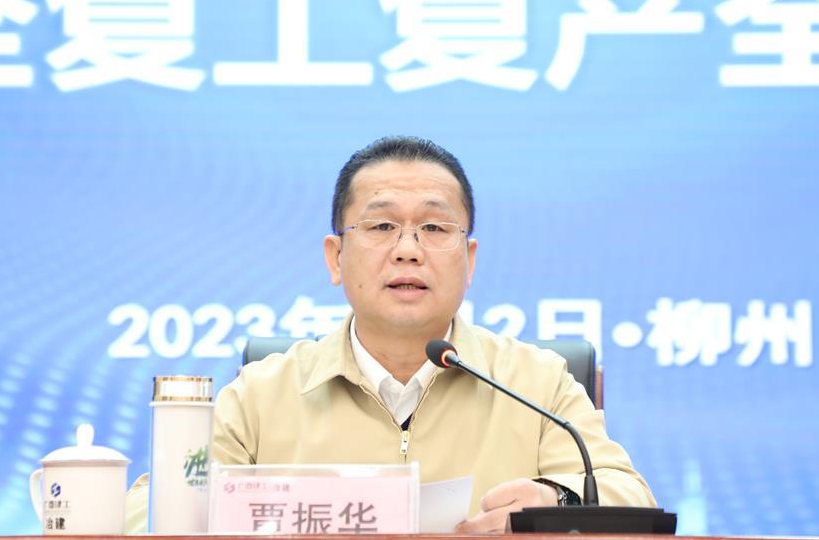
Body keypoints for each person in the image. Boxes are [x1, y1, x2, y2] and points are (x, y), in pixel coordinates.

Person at [125, 136, 654, 533]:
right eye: (381, 227)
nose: (408, 249)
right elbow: (146, 512)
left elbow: (630, 499)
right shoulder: (263, 394)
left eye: (435, 228)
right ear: (336, 257)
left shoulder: (535, 382)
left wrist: (557, 504)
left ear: (469, 260)